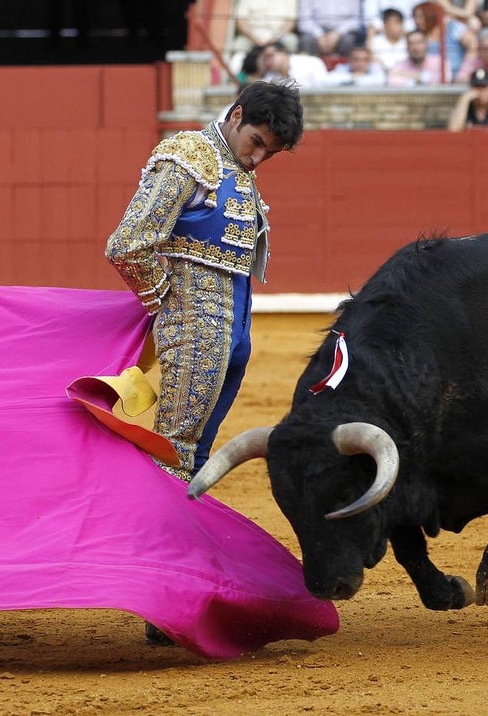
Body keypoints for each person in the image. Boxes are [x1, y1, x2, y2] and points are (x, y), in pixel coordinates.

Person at [105, 79, 304, 489]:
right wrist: (168, 304)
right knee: (172, 452)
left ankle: (178, 544)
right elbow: (127, 244)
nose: (258, 158)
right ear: (236, 116)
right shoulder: (189, 156)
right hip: (195, 326)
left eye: (270, 152)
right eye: (256, 142)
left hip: (234, 330)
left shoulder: (232, 163)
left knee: (195, 454)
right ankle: (149, 546)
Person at [412, 0, 476, 79]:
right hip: (429, 80)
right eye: (415, 17)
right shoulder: (417, 34)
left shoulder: (452, 27)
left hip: (455, 78)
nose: (417, 21)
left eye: (421, 17)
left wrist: (463, 73)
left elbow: (473, 46)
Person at [297, 0, 365, 58]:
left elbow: (355, 20)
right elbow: (304, 20)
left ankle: (343, 69)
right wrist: (319, 35)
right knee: (306, 40)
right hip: (316, 30)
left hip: (341, 32)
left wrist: (337, 33)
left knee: (348, 41)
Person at [230, 0, 298, 54]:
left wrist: (276, 38)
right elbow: (240, 21)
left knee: (291, 41)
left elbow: (291, 21)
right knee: (239, 45)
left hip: (278, 34)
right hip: (252, 33)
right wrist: (254, 39)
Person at [259, 41, 328, 87]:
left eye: (270, 56)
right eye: (265, 59)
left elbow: (324, 87)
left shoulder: (312, 62)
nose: (267, 62)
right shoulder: (270, 75)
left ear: (283, 53)